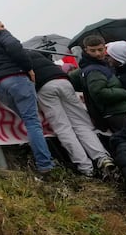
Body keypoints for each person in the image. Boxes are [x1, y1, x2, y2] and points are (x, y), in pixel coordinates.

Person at [0, 19, 55, 176]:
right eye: (2, 26)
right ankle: (45, 164)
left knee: (26, 120)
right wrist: (29, 68)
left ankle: (29, 151)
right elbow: (15, 47)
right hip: (16, 78)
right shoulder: (1, 35)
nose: (5, 28)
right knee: (32, 121)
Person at [28, 50, 117, 178]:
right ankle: (102, 157)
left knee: (63, 128)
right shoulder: (35, 54)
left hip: (44, 87)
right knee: (82, 124)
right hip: (63, 81)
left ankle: (85, 167)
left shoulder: (13, 57)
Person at [73, 34, 126, 132]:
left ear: (105, 48)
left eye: (100, 49)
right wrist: (125, 93)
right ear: (86, 50)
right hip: (118, 113)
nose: (98, 54)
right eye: (93, 51)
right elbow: (99, 92)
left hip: (119, 111)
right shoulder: (94, 70)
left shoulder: (102, 65)